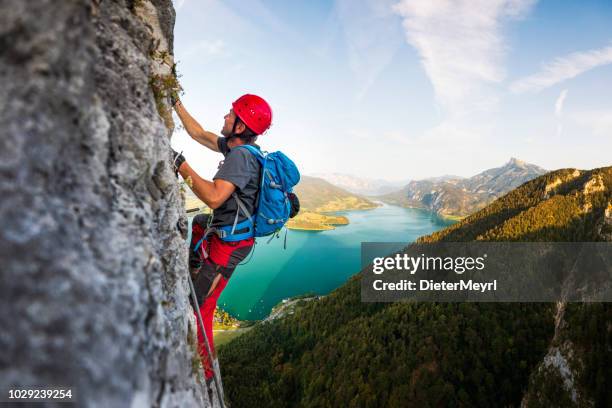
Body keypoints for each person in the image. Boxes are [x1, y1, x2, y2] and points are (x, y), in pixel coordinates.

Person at [171, 93, 272, 382]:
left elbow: (215, 197)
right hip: (229, 235)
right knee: (201, 222)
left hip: (230, 247)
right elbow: (199, 133)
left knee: (200, 309)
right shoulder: (237, 148)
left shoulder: (240, 157)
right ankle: (194, 266)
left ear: (240, 127)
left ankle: (205, 377)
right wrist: (175, 102)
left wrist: (180, 164)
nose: (225, 116)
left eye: (231, 114)